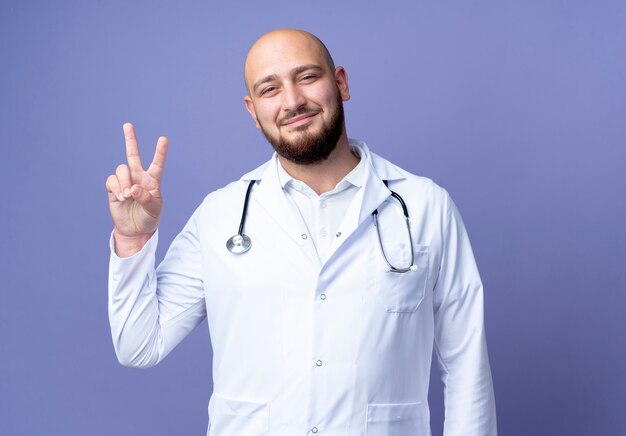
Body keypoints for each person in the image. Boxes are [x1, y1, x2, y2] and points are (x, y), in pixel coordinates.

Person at [106, 29, 497, 435]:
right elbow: (139, 345)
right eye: (270, 88)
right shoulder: (220, 215)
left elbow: (466, 366)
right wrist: (133, 241)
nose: (292, 101)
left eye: (307, 77)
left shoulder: (425, 206)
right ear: (252, 110)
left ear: (340, 83)